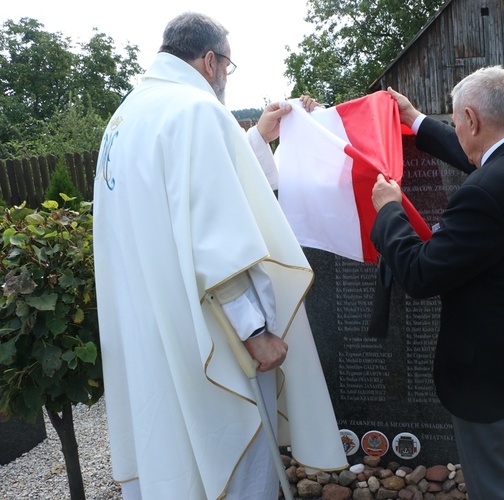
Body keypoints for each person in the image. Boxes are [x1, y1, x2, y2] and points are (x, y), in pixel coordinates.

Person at [93, 12, 346, 499]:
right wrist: (255, 333)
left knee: (176, 455)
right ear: (210, 61)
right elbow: (216, 242)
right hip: (208, 337)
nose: (226, 77)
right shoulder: (195, 110)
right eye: (228, 65)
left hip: (151, 328)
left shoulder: (125, 118)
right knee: (236, 453)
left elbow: (186, 195)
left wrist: (259, 138)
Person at [372, 67, 504, 499]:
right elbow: (481, 160)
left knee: (493, 488)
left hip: (488, 379)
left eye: (457, 121)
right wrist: (417, 119)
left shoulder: (484, 193)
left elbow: (421, 274)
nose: (456, 130)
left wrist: (388, 211)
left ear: (473, 120)